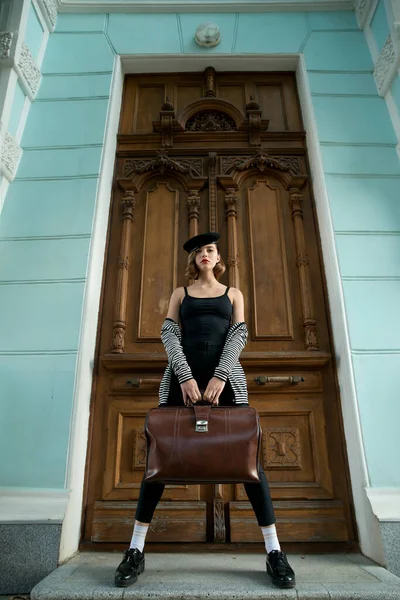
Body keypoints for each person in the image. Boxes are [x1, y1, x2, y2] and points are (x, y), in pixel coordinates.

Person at [114, 232, 296, 589]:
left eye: (210, 249)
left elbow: (239, 335)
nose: (205, 255)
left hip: (226, 383)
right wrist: (184, 376)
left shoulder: (234, 294)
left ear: (218, 257)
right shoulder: (180, 294)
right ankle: (135, 550)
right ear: (193, 260)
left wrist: (220, 377)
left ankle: (274, 552)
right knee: (158, 462)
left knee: (251, 465)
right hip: (181, 383)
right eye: (199, 251)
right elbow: (169, 333)